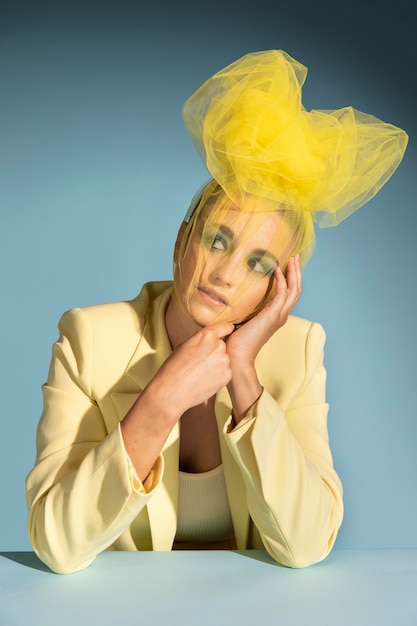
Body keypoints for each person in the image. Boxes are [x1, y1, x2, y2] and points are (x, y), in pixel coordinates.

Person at [26, 50, 408, 574]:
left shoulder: (297, 351)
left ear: (280, 285)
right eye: (218, 240)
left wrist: (245, 374)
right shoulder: (89, 340)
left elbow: (307, 546)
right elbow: (56, 545)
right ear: (184, 239)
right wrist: (160, 402)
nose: (225, 275)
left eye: (258, 262)